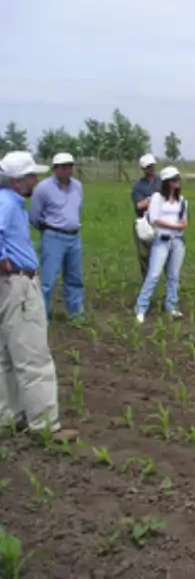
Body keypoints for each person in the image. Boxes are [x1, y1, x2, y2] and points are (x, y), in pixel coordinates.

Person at [0, 151, 77, 442]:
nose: (37, 179)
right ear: (18, 181)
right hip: (17, 284)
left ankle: (9, 416)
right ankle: (45, 425)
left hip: (7, 285)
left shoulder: (8, 202)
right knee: (34, 357)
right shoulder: (7, 204)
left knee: (6, 356)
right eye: (32, 175)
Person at [28, 152, 84, 321]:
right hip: (53, 237)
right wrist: (47, 230)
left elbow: (78, 210)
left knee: (75, 279)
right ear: (55, 169)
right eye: (64, 167)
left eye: (70, 166)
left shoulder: (78, 186)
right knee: (48, 280)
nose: (69, 170)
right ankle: (42, 317)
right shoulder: (43, 188)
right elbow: (34, 216)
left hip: (74, 237)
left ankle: (76, 315)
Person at [134, 166, 188, 323]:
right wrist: (174, 226)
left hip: (177, 242)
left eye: (177, 178)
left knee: (173, 276)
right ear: (166, 182)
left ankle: (172, 306)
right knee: (154, 274)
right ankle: (141, 307)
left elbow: (184, 221)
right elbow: (154, 219)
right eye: (173, 179)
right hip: (162, 240)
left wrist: (176, 226)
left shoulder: (182, 200)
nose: (176, 182)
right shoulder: (157, 198)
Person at [131, 153, 162, 280]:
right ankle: (147, 280)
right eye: (148, 167)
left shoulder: (161, 181)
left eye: (152, 166)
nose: (151, 169)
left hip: (161, 221)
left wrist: (149, 200)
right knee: (144, 254)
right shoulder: (138, 186)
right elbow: (139, 205)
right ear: (143, 169)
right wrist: (154, 199)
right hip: (144, 222)